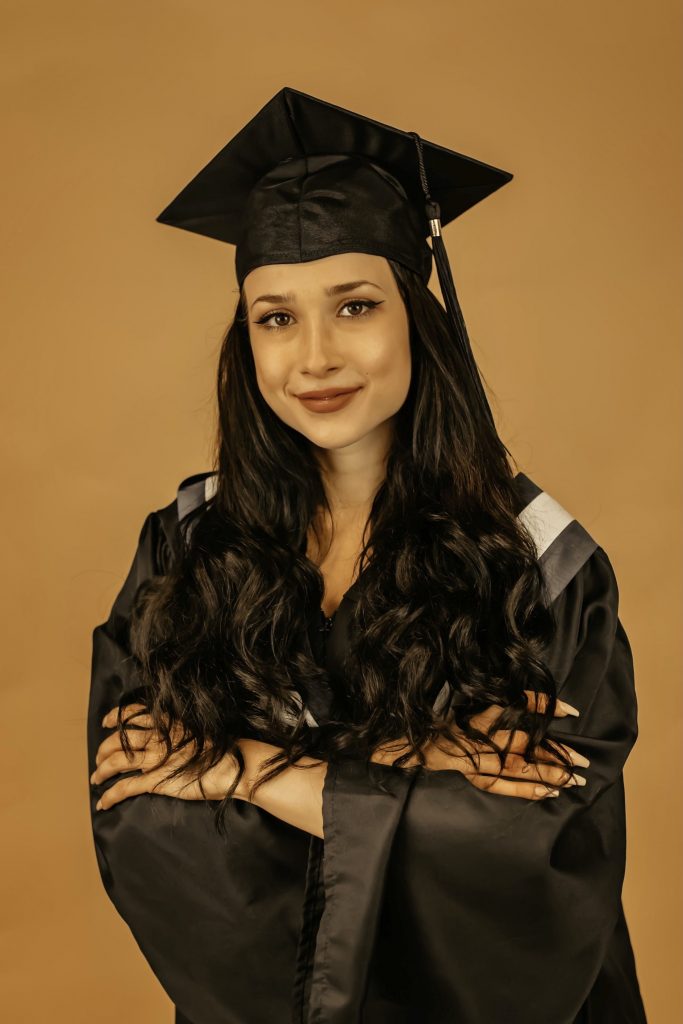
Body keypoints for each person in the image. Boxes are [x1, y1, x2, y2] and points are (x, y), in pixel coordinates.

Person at [86, 87, 647, 1023]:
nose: (312, 358)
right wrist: (404, 774)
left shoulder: (540, 567)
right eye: (274, 317)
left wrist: (240, 768)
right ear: (245, 340)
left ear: (416, 317)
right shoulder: (184, 548)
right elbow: (142, 817)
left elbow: (528, 842)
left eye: (353, 306)